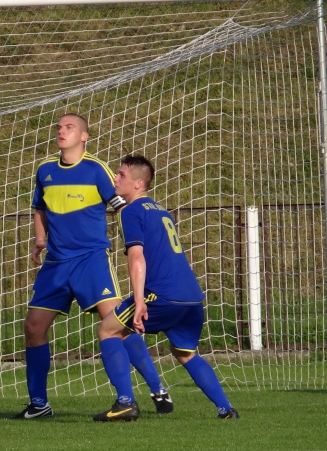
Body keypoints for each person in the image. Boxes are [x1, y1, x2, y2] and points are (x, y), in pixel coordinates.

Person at [14, 113, 170, 419]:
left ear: (84, 136)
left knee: (117, 327)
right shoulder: (45, 170)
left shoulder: (97, 170)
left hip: (91, 261)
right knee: (33, 328)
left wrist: (137, 241)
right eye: (59, 127)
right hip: (56, 264)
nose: (61, 131)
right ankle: (39, 404)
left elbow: (123, 206)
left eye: (69, 127)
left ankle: (156, 387)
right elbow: (39, 208)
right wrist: (40, 239)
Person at [92, 155, 238, 421]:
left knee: (108, 330)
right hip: (191, 296)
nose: (115, 178)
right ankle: (226, 409)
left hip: (163, 294)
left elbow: (137, 258)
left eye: (121, 175)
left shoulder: (130, 211)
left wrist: (139, 301)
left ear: (138, 183)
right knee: (185, 352)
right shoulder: (160, 209)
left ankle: (125, 402)